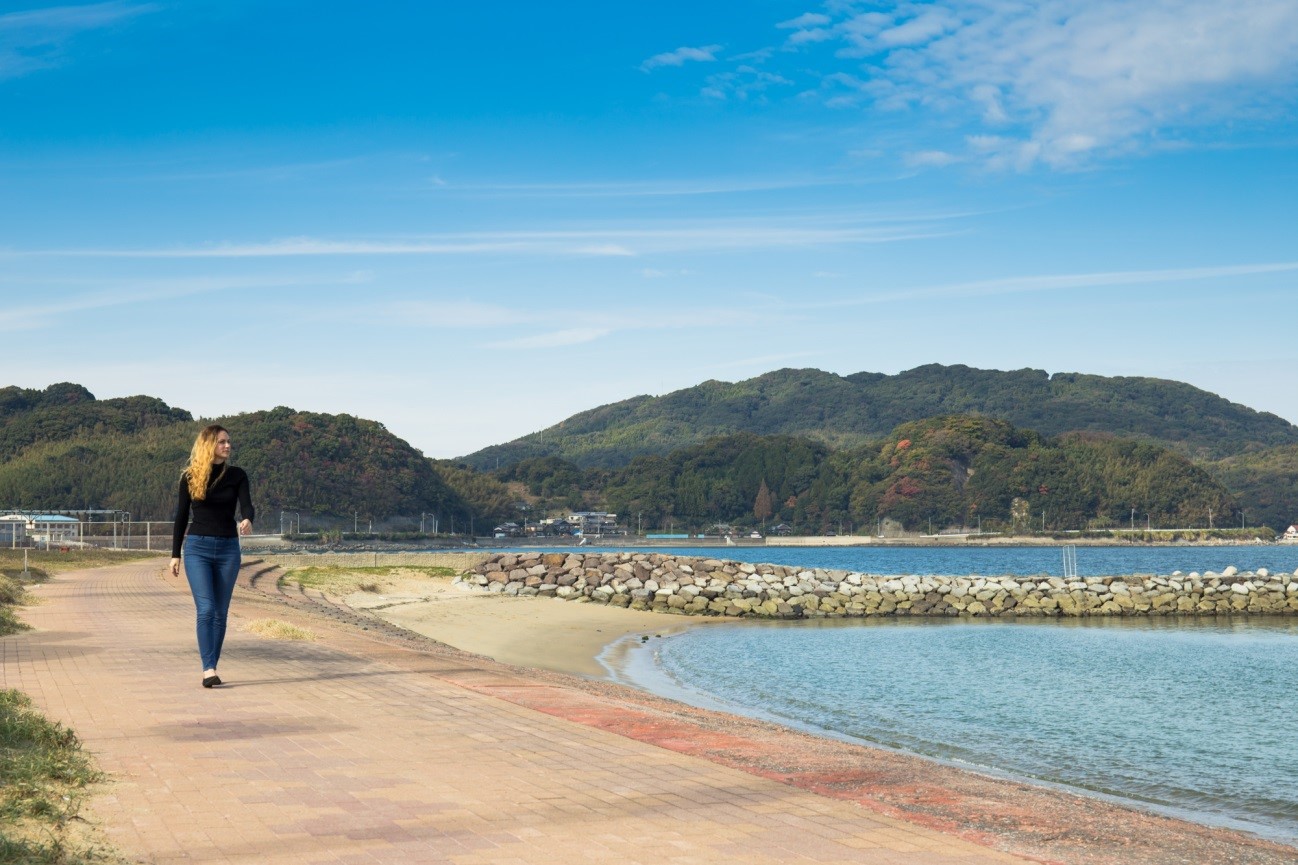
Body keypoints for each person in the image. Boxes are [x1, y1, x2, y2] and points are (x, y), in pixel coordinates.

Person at [170, 425, 254, 688]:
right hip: (198, 548)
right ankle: (208, 669)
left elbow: (247, 504)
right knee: (206, 609)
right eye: (222, 442)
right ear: (209, 445)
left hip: (229, 549)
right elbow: (181, 517)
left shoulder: (237, 475)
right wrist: (175, 555)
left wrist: (248, 518)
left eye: (229, 441)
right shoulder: (190, 477)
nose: (228, 446)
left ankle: (212, 666)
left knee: (220, 612)